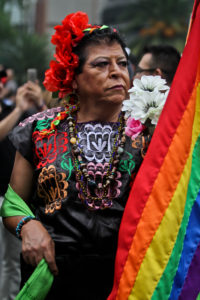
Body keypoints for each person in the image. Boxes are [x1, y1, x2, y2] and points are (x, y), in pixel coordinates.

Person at [1, 12, 151, 300]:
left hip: (131, 279)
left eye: (121, 63)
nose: (117, 72)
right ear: (74, 77)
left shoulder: (151, 130)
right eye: (101, 64)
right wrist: (27, 225)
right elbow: (12, 203)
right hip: (54, 276)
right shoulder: (39, 129)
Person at [0, 79, 47, 300]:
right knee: (7, 261)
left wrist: (38, 104)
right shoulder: (13, 110)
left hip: (27, 200)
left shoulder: (15, 108)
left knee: (18, 260)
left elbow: (55, 131)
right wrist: (19, 108)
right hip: (6, 200)